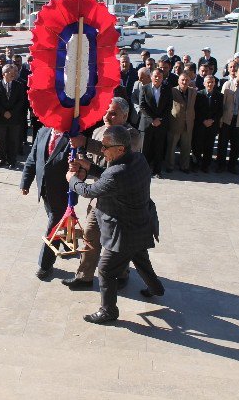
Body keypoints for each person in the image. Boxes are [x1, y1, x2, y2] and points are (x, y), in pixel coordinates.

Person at [67, 125, 164, 324]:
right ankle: (156, 289)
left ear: (120, 149)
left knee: (105, 270)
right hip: (141, 225)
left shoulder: (117, 173)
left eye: (105, 147)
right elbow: (111, 178)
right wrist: (89, 167)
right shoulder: (138, 159)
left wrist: (72, 179)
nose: (101, 151)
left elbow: (89, 191)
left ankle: (108, 310)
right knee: (141, 258)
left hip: (123, 232)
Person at [63, 98, 140, 290]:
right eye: (106, 111)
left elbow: (114, 153)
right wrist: (80, 165)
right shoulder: (99, 131)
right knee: (90, 235)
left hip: (119, 199)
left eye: (113, 113)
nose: (107, 116)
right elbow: (93, 163)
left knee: (115, 242)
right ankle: (84, 276)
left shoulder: (132, 134)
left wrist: (86, 142)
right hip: (98, 197)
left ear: (125, 115)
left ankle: (121, 273)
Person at [20, 125, 71, 280]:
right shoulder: (43, 132)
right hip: (44, 189)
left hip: (62, 191)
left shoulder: (72, 137)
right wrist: (25, 182)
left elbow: (79, 164)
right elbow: (32, 158)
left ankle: (45, 265)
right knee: (56, 217)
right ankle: (68, 242)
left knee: (53, 225)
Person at [138, 68, 173, 178]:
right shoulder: (144, 88)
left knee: (159, 148)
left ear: (163, 78)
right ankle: (143, 170)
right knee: (145, 148)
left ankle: (157, 171)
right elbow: (142, 106)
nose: (157, 78)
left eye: (160, 76)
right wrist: (153, 119)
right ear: (151, 77)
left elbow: (169, 107)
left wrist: (159, 119)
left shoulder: (167, 89)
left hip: (161, 124)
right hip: (147, 124)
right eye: (155, 76)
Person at [0, 64, 26, 169]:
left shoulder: (19, 85)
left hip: (14, 118)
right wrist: (3, 112)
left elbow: (21, 101)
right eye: (9, 72)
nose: (12, 74)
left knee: (13, 140)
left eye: (13, 72)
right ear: (3, 74)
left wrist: (11, 112)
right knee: (0, 140)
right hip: (0, 117)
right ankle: (1, 159)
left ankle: (12, 160)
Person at [167, 72, 196, 173]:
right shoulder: (172, 90)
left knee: (186, 146)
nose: (184, 82)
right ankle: (170, 166)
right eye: (182, 80)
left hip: (188, 123)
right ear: (178, 81)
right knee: (171, 146)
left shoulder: (193, 91)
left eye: (187, 80)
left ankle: (184, 166)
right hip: (175, 122)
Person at [193, 75, 223, 172]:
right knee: (198, 145)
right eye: (208, 82)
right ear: (204, 83)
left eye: (212, 82)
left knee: (209, 146)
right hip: (200, 125)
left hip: (212, 125)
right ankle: (196, 163)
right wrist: (203, 120)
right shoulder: (198, 95)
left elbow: (220, 111)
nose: (210, 84)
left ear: (215, 83)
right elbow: (195, 110)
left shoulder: (219, 96)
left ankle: (206, 165)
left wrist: (212, 120)